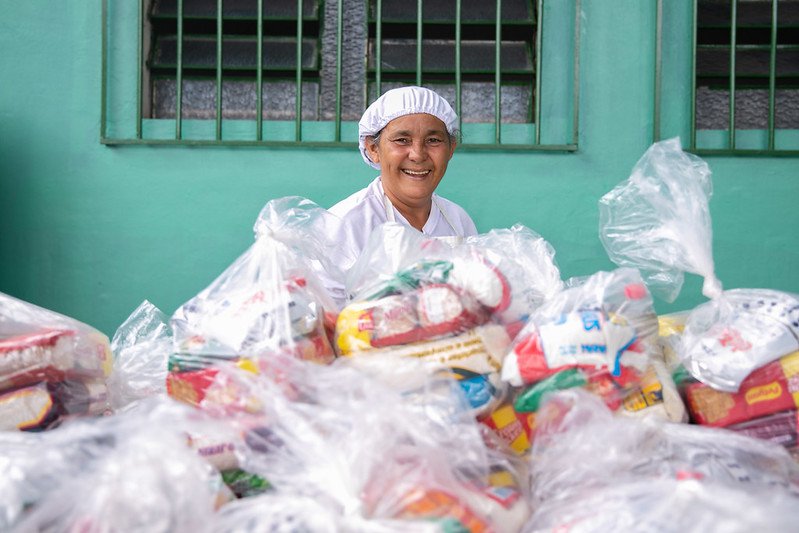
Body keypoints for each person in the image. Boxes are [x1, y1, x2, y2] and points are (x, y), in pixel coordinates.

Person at [329, 86, 478, 260]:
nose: (418, 154)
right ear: (373, 149)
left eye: (433, 140)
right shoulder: (344, 224)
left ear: (451, 148)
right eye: (402, 140)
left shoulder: (458, 220)